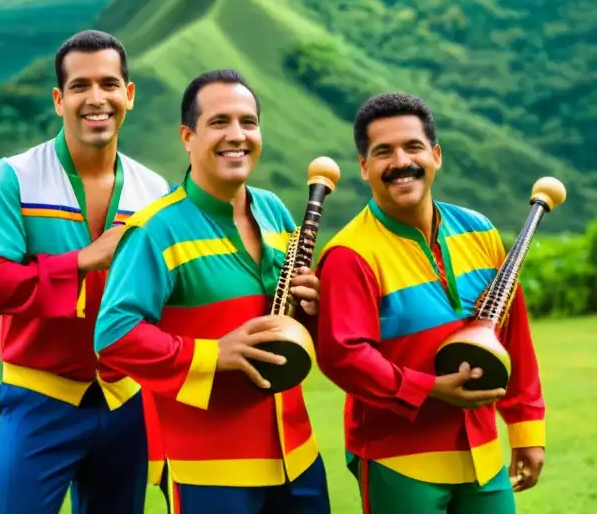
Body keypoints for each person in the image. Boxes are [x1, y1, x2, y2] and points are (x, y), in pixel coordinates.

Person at [93, 69, 330, 513]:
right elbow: (113, 335)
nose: (237, 135)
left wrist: (312, 308)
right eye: (220, 122)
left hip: (298, 457)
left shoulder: (277, 212)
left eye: (248, 122)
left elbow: (289, 326)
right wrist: (213, 353)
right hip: (208, 468)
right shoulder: (154, 230)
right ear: (188, 136)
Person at [0, 30, 171, 514]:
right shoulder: (12, 178)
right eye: (80, 86)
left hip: (128, 401)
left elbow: (169, 297)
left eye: (108, 84)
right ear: (59, 100)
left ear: (129, 95)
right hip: (40, 397)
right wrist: (83, 259)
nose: (96, 99)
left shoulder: (154, 190)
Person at [314, 91, 546, 514]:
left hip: (483, 454)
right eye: (383, 152)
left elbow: (511, 333)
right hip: (398, 459)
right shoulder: (350, 254)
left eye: (414, 147)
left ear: (436, 155)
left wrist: (526, 428)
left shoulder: (478, 230)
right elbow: (342, 355)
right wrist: (430, 390)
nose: (401, 161)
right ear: (364, 168)